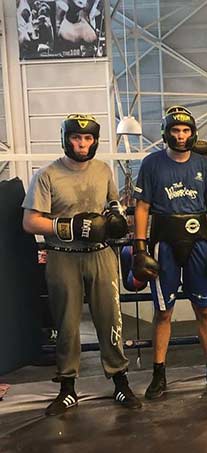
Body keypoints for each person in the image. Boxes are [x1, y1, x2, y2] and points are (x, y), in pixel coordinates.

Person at [22, 113, 141, 415]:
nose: (82, 144)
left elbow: (112, 203)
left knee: (110, 318)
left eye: (88, 138)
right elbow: (30, 222)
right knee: (67, 323)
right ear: (66, 139)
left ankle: (120, 381)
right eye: (77, 138)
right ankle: (67, 388)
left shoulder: (102, 170)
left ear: (95, 141)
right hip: (63, 255)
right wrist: (70, 227)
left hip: (100, 254)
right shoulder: (47, 175)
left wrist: (115, 218)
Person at [132, 105, 207, 399]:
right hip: (164, 243)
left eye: (186, 130)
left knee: (204, 309)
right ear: (166, 133)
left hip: (199, 242)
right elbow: (142, 208)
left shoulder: (204, 166)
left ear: (193, 133)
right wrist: (140, 248)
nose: (180, 136)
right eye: (175, 130)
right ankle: (158, 374)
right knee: (164, 312)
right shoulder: (152, 164)